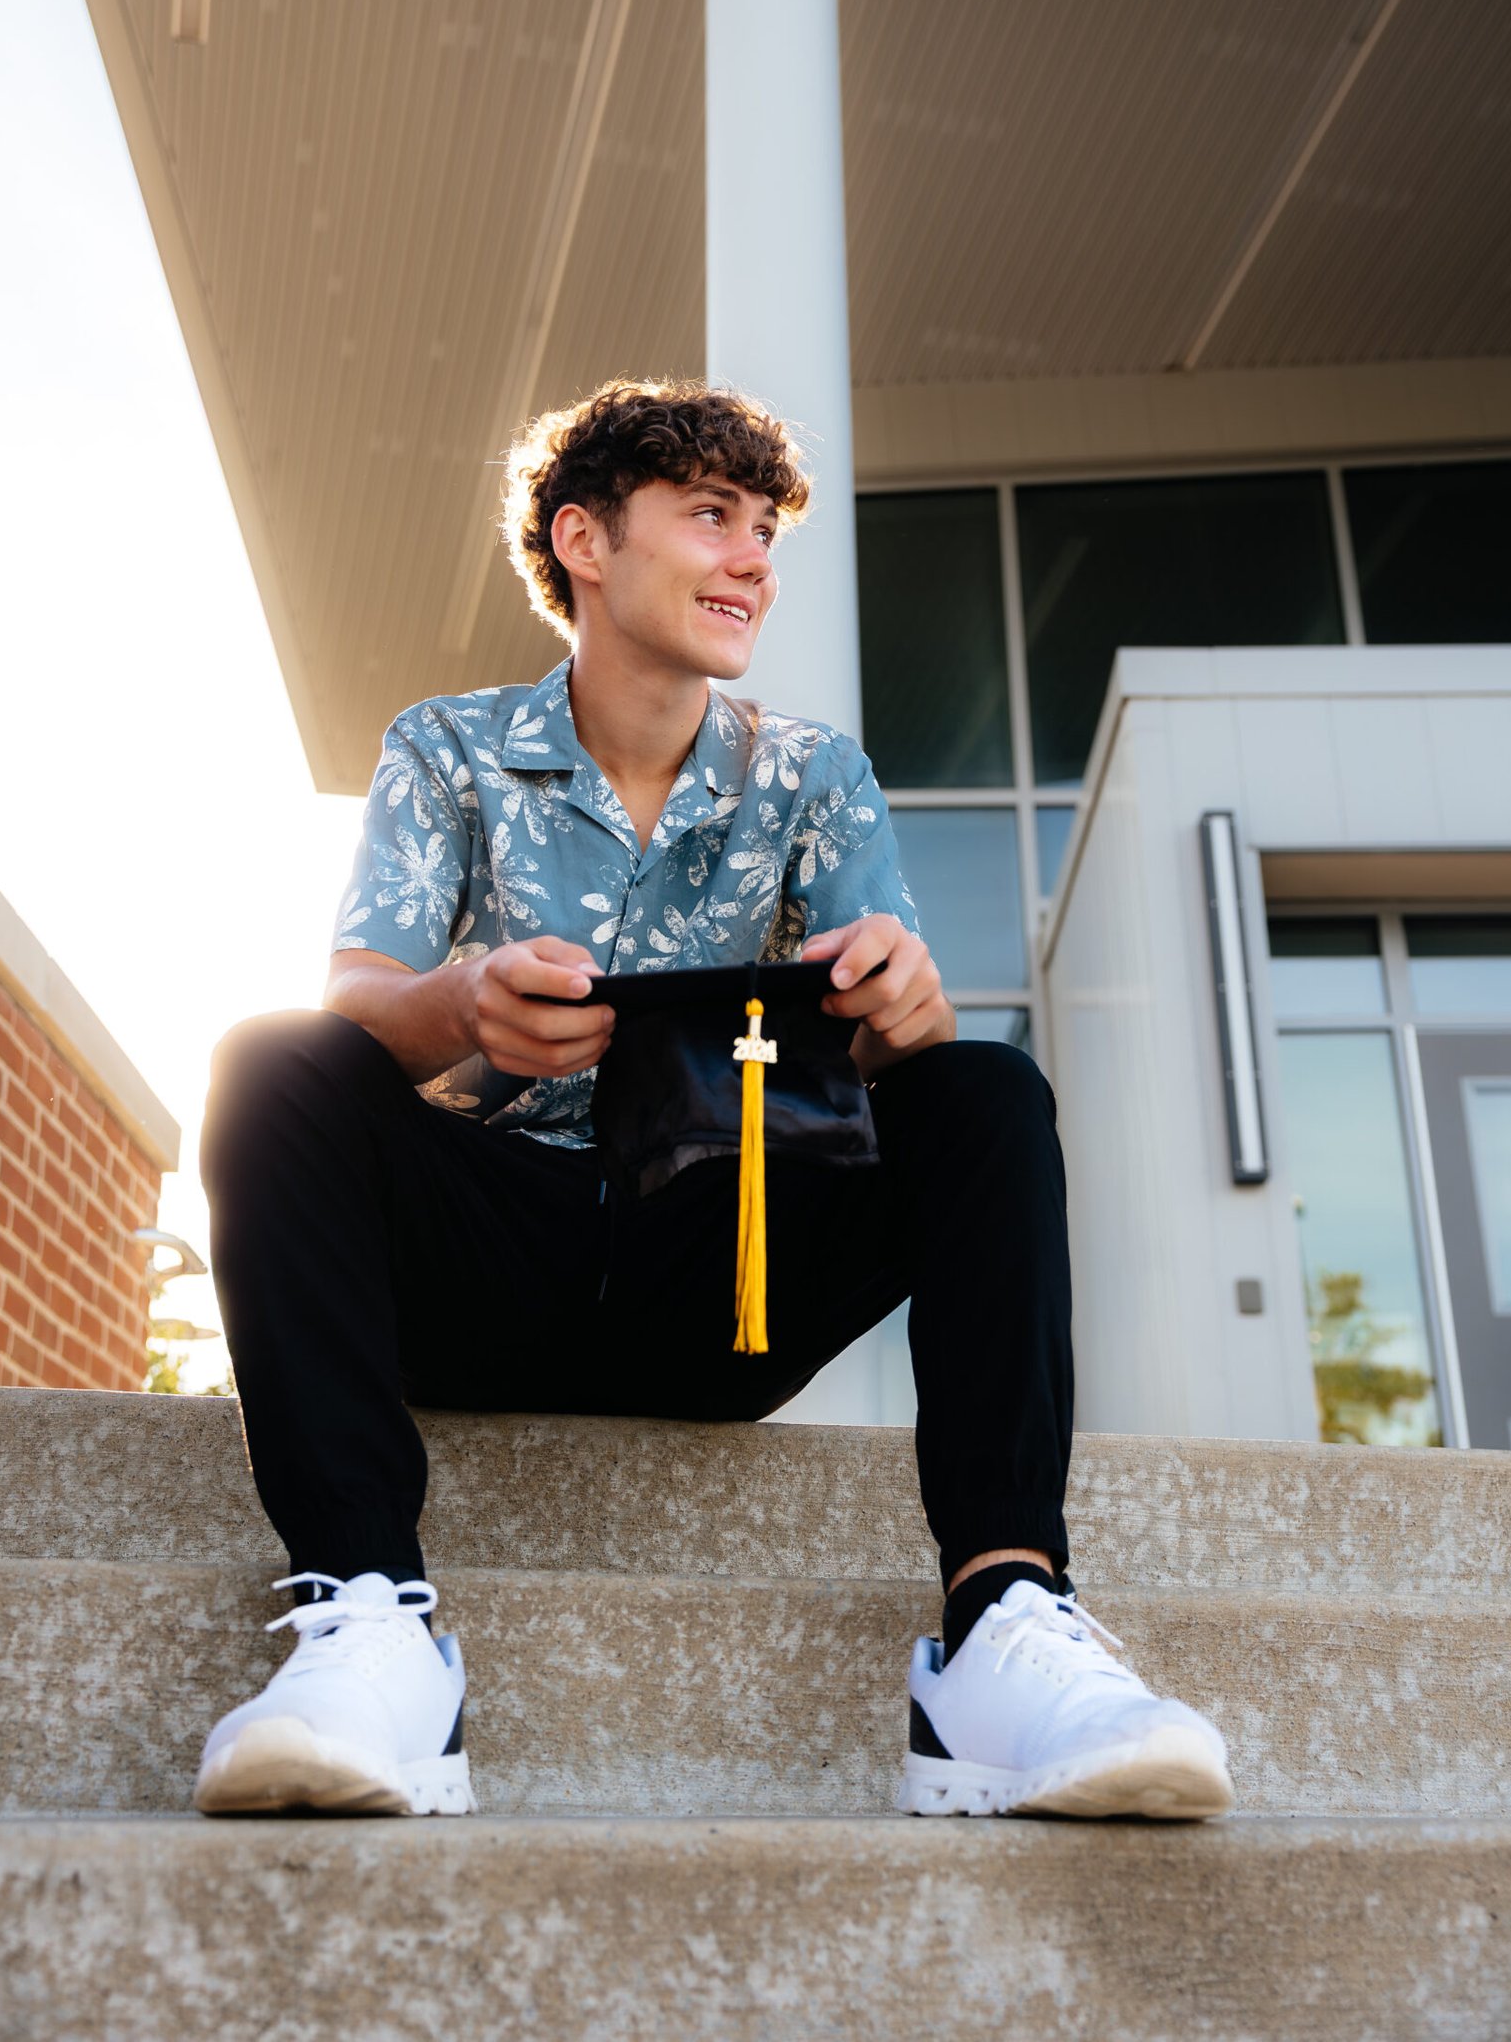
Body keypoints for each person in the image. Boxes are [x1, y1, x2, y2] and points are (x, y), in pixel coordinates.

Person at [194, 379, 1232, 1822]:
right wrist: (461, 1005)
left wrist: (904, 1011)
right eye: (709, 517)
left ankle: (1002, 1632)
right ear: (586, 543)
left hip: (720, 1276)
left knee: (984, 1092)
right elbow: (361, 989)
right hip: (479, 1266)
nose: (752, 559)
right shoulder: (444, 746)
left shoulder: (817, 775)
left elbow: (893, 1043)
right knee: (271, 1060)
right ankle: (371, 1621)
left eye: (764, 530)